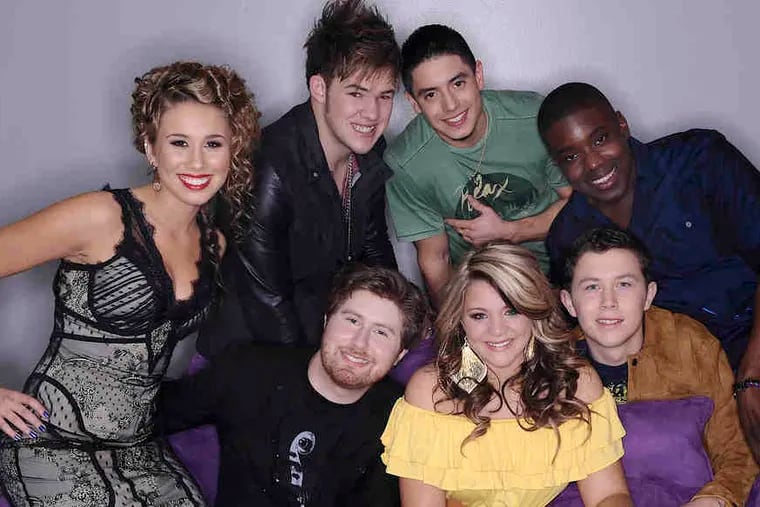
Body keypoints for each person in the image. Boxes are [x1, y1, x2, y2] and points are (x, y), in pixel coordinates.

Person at [0, 61, 260, 506]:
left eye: (213, 144)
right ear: (151, 148)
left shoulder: (213, 243)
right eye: (179, 143)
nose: (197, 162)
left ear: (231, 150)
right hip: (50, 442)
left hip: (139, 450)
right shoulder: (100, 217)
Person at [538, 82, 760, 460]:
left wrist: (751, 374)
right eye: (571, 156)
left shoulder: (700, 161)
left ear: (622, 125)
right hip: (683, 374)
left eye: (600, 139)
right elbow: (579, 328)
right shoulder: (568, 235)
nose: (593, 164)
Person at [200, 0, 400, 356]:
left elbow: (374, 248)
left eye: (385, 96)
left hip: (329, 335)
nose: (372, 113)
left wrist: (402, 318)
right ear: (319, 88)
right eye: (356, 93)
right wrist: (321, 372)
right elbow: (267, 301)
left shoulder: (370, 150)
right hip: (251, 352)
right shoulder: (269, 166)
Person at [381, 243, 632, 506]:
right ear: (460, 321)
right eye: (479, 316)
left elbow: (608, 495)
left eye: (511, 311)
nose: (497, 331)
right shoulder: (430, 390)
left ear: (534, 312)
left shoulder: (577, 382)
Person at [156, 265, 429, 506]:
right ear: (327, 321)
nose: (359, 343)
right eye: (352, 320)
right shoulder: (249, 370)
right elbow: (151, 415)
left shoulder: (402, 421)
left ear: (400, 355)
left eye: (381, 332)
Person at [559, 227, 758, 507]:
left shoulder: (691, 345)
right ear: (569, 302)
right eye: (592, 287)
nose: (609, 302)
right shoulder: (554, 364)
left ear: (648, 295)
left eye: (624, 284)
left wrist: (715, 498)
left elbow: (736, 448)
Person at [384, 24, 572, 307]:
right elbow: (435, 259)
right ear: (414, 103)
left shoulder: (533, 117)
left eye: (458, 83)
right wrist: (454, 324)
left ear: (478, 76)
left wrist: (510, 231)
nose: (450, 105)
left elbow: (577, 204)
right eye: (431, 94)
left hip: (557, 278)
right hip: (482, 296)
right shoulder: (406, 163)